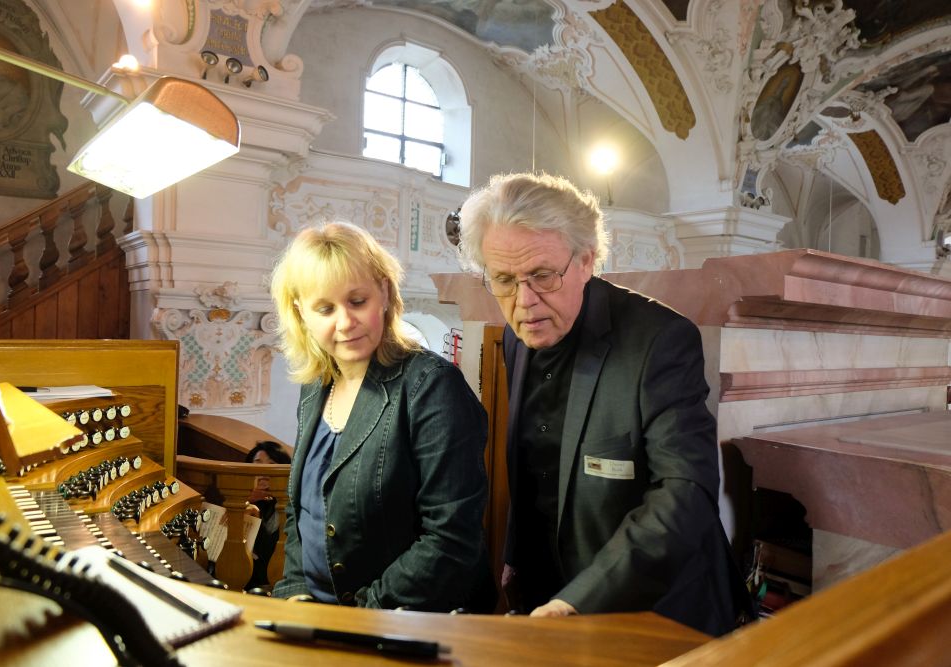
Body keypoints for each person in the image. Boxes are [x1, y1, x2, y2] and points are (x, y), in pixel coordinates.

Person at [457, 172, 751, 635]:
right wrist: (517, 557)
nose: (524, 301)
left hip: (654, 606)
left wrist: (576, 602)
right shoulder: (517, 339)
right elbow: (533, 468)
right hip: (548, 597)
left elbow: (685, 492)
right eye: (504, 280)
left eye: (542, 276)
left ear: (586, 260)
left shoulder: (661, 340)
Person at [269, 221, 493, 611]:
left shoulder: (432, 387)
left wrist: (359, 618)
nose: (345, 322)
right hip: (316, 615)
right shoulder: (316, 385)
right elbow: (301, 513)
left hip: (399, 619)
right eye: (325, 309)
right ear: (301, 313)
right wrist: (294, 593)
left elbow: (450, 539)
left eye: (357, 301)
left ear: (385, 293)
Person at [243, 440, 291, 590]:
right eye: (257, 463)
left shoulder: (288, 504)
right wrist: (247, 500)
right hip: (243, 580)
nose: (263, 470)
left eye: (271, 463)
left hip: (277, 583)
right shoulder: (237, 497)